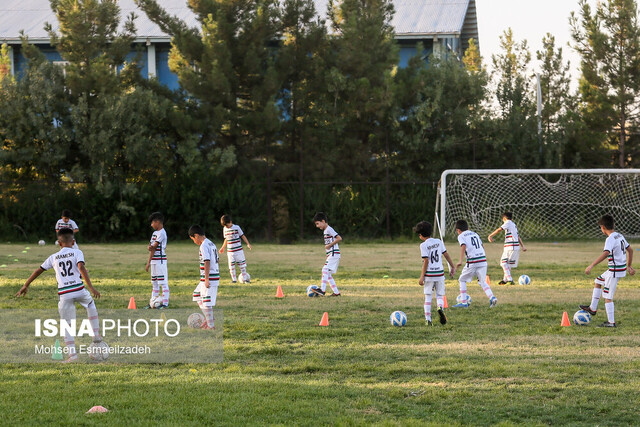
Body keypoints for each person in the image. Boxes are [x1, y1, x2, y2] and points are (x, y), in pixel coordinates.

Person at [16, 228, 102, 363]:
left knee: (66, 324)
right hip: (79, 289)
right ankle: (95, 334)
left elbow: (38, 270)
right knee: (90, 304)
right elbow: (81, 267)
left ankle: (72, 356)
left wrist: (26, 285)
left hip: (64, 294)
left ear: (59, 243)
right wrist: (91, 288)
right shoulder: (77, 251)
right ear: (73, 242)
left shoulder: (53, 257)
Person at [580, 214, 634, 327]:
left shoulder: (609, 239)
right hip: (617, 268)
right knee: (598, 281)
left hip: (614, 271)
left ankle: (611, 322)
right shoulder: (619, 235)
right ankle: (592, 308)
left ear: (603, 227)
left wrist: (592, 265)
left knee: (608, 297)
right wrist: (629, 266)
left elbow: (606, 253)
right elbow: (630, 250)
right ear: (613, 225)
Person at [414, 221, 455, 326]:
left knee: (428, 297)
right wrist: (452, 266)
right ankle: (440, 307)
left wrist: (422, 277)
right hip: (440, 274)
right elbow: (446, 255)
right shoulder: (439, 241)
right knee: (440, 295)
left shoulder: (423, 245)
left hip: (429, 275)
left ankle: (428, 319)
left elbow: (426, 261)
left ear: (421, 235)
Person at [452, 219, 497, 308]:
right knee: (482, 281)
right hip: (483, 260)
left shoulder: (461, 236)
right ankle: (492, 297)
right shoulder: (475, 234)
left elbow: (463, 246)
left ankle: (464, 303)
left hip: (473, 261)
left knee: (462, 280)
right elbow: (482, 246)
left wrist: (460, 260)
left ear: (458, 230)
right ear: (468, 227)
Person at [189, 225, 219, 329]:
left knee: (206, 302)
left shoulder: (204, 245)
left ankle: (211, 326)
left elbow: (207, 261)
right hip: (208, 276)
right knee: (196, 294)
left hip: (209, 277)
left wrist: (207, 279)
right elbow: (217, 260)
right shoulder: (211, 243)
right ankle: (209, 316)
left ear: (196, 236)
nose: (194, 242)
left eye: (193, 239)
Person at [488, 212, 527, 285]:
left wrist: (490, 236)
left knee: (503, 263)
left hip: (510, 247)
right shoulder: (513, 225)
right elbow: (518, 236)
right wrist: (523, 246)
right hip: (515, 247)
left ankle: (510, 279)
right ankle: (505, 280)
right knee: (508, 265)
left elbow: (499, 229)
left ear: (504, 218)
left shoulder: (508, 223)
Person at [310, 212, 341, 297]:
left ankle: (322, 290)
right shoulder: (325, 231)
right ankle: (336, 293)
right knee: (328, 274)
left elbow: (339, 238)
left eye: (317, 223)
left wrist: (329, 245)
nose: (317, 226)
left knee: (324, 270)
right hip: (331, 254)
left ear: (323, 221)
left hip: (334, 254)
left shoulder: (329, 229)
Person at [144, 212, 169, 309]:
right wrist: (148, 262)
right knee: (154, 282)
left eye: (152, 223)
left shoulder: (162, 232)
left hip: (160, 261)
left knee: (163, 282)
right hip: (154, 261)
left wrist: (150, 247)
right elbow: (151, 248)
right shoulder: (154, 233)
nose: (151, 225)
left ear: (157, 222)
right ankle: (153, 302)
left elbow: (153, 247)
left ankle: (165, 304)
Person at [219, 215, 252, 283]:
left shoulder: (237, 227)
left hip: (238, 251)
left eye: (227, 225)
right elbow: (226, 239)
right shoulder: (225, 229)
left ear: (230, 222)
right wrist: (223, 247)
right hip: (230, 252)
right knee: (231, 266)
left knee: (242, 266)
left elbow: (242, 236)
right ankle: (234, 280)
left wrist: (248, 243)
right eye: (225, 226)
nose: (226, 227)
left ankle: (245, 279)